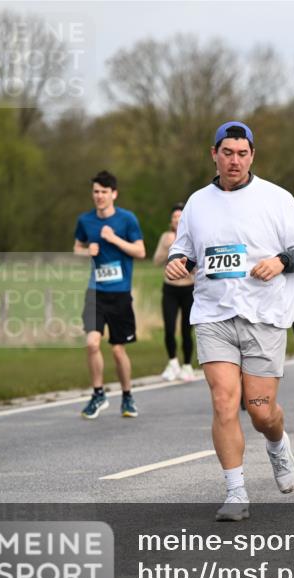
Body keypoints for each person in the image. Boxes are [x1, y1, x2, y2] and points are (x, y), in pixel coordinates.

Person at [165, 121, 294, 521]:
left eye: (243, 153)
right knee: (223, 402)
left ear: (253, 155)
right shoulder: (197, 202)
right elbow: (185, 251)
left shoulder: (276, 198)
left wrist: (281, 262)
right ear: (213, 153)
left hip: (264, 315)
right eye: (228, 152)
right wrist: (176, 263)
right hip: (214, 314)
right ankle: (236, 491)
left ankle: (278, 443)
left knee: (260, 410)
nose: (235, 160)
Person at [74, 170, 146, 419]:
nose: (99, 196)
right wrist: (87, 251)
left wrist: (114, 239)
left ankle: (127, 396)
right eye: (96, 192)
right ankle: (98, 394)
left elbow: (140, 251)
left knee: (117, 350)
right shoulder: (85, 221)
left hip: (120, 294)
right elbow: (77, 248)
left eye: (104, 192)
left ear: (113, 194)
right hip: (96, 292)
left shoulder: (127, 220)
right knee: (92, 343)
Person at [153, 202, 196, 382]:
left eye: (180, 217)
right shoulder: (166, 237)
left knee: (187, 330)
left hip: (189, 289)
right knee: (169, 328)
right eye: (174, 218)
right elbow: (156, 261)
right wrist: (167, 248)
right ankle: (172, 363)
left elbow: (198, 266)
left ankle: (187, 365)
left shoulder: (193, 236)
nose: (177, 221)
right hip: (170, 289)